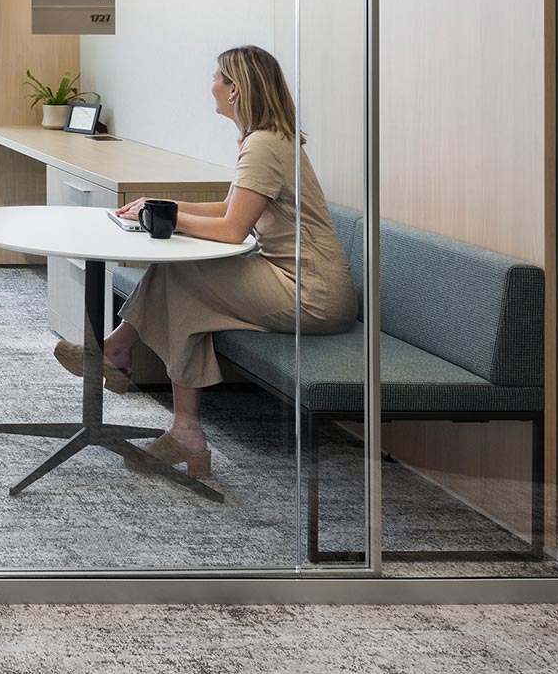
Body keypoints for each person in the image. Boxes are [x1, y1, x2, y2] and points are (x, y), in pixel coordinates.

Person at [62, 44, 356, 478]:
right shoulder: (266, 139)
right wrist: (162, 206)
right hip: (298, 279)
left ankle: (120, 355)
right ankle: (174, 418)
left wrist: (166, 221)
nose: (211, 85)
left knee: (183, 275)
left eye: (217, 78)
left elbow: (233, 230)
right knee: (186, 286)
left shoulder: (264, 144)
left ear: (234, 89)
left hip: (311, 293)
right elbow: (229, 208)